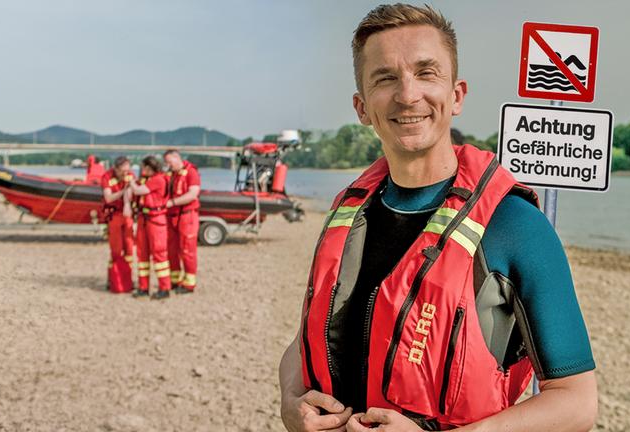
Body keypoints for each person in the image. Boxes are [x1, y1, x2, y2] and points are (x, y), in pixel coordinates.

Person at [279, 4, 597, 432]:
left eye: (426, 73)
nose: (408, 95)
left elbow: (576, 404)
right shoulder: (348, 212)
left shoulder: (515, 225)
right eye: (385, 78)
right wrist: (289, 401)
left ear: (457, 95)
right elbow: (310, 336)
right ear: (361, 107)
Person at [130, 155, 172, 300]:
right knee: (142, 254)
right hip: (144, 218)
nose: (141, 169)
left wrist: (131, 183)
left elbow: (138, 191)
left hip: (155, 220)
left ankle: (164, 288)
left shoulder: (158, 179)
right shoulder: (148, 179)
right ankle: (143, 287)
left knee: (159, 254)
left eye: (143, 167)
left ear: (149, 168)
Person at [163, 149, 201, 294]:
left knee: (187, 249)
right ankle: (175, 280)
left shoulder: (191, 172)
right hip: (171, 216)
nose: (168, 165)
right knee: (171, 250)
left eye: (169, 162)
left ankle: (189, 283)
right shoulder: (170, 174)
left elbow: (192, 194)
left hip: (187, 215)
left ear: (177, 158)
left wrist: (172, 202)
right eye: (166, 163)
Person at [100, 156, 135, 293]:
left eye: (127, 171)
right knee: (116, 249)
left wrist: (127, 202)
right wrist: (123, 191)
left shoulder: (130, 175)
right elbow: (108, 198)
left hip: (126, 214)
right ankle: (112, 279)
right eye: (123, 171)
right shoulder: (107, 177)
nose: (125, 174)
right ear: (116, 169)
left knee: (129, 248)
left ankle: (127, 279)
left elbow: (130, 194)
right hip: (113, 214)